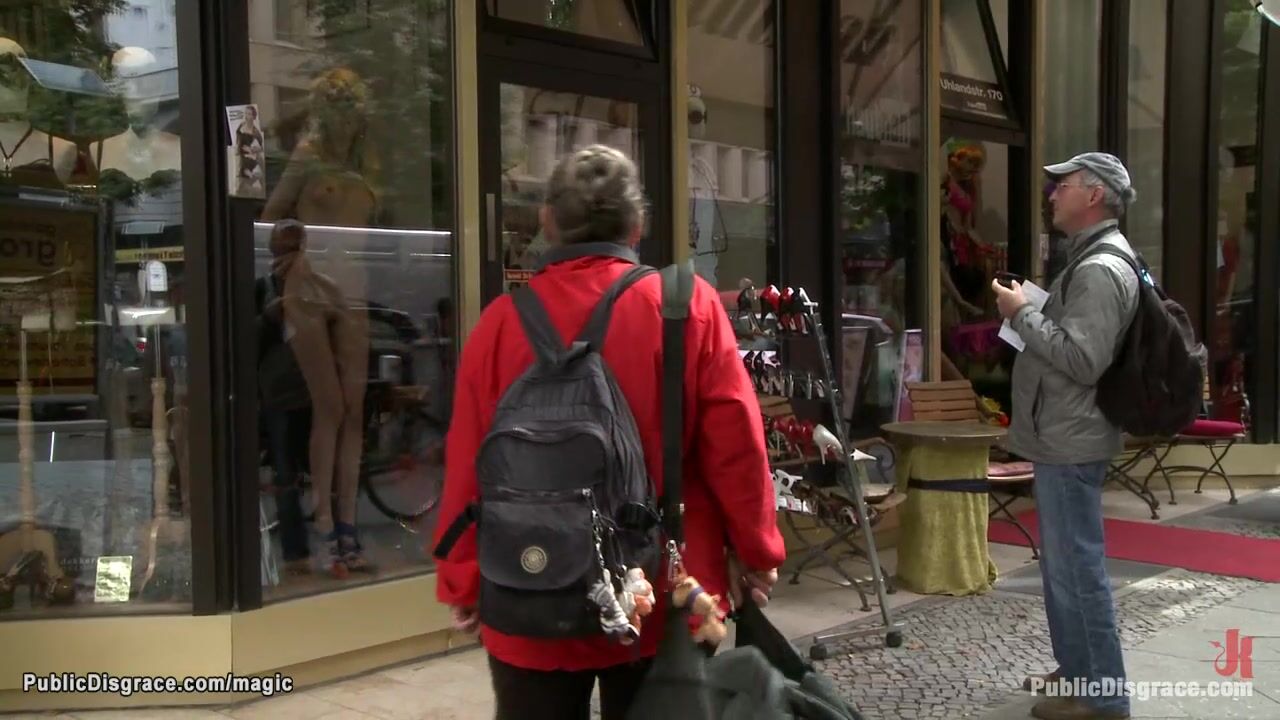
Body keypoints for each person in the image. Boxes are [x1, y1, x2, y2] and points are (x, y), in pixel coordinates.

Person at [432, 145, 785, 720]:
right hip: (664, 591)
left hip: (531, 581)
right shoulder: (684, 306)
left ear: (547, 221)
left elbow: (470, 463)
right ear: (638, 223)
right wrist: (757, 550)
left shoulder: (499, 323)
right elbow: (736, 449)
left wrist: (464, 577)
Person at [991, 152, 1140, 720]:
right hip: (1063, 434)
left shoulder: (1100, 268)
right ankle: (1079, 671)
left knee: (1077, 570)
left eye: (1064, 185)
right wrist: (1034, 308)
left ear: (1095, 195)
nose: (1052, 194)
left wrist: (1021, 313)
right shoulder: (1090, 258)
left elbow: (1082, 359)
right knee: (1064, 569)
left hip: (1073, 439)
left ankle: (1104, 696)